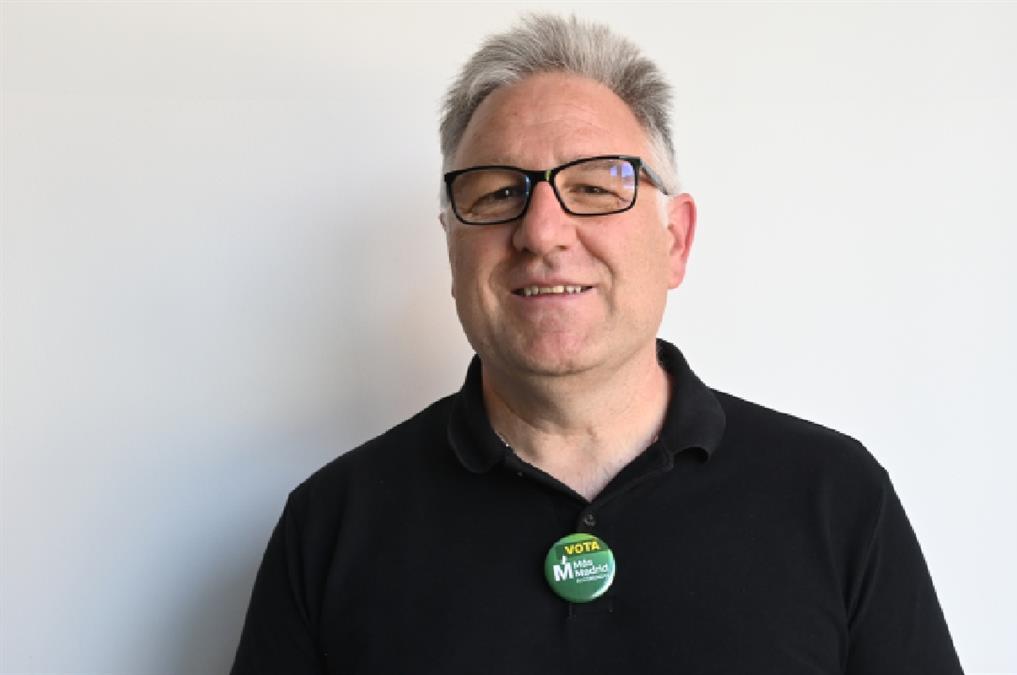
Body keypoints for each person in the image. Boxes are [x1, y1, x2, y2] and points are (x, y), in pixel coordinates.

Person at [230, 14, 963, 675]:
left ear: (674, 241)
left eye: (594, 187)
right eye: (498, 192)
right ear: (452, 245)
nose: (542, 232)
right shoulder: (332, 525)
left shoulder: (834, 497)